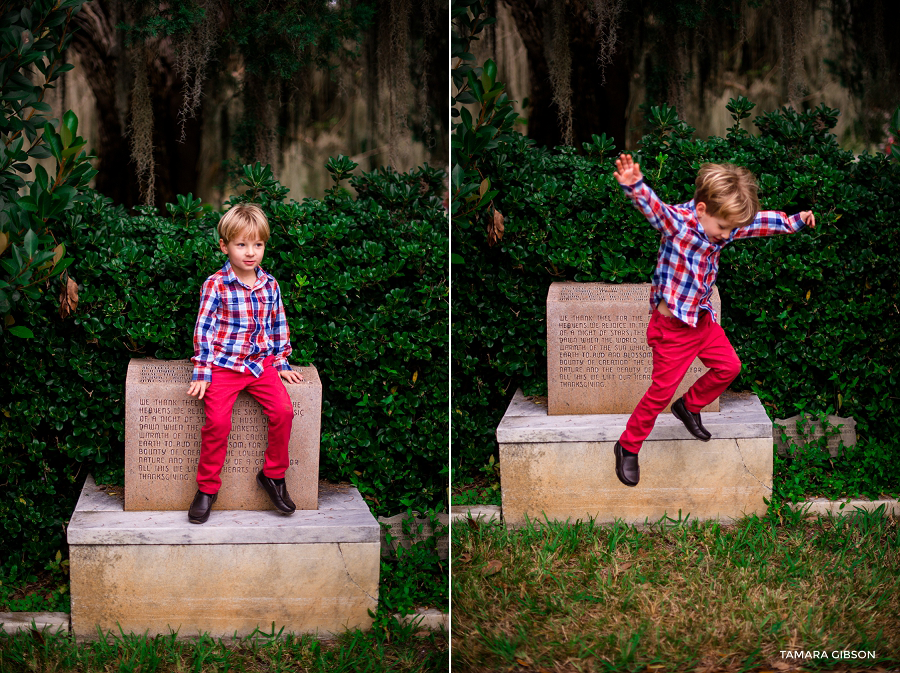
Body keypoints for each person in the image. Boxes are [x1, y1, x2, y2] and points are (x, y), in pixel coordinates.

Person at [611, 154, 816, 487]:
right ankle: (628, 445)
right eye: (723, 228)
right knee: (660, 393)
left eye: (732, 229)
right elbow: (656, 209)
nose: (727, 235)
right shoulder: (678, 222)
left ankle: (689, 406)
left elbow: (758, 223)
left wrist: (794, 221)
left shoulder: (725, 225)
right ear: (703, 210)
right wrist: (635, 185)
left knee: (729, 367)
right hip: (672, 329)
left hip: (702, 322)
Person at [186, 203, 304, 523]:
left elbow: (277, 324)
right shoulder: (216, 284)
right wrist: (202, 370)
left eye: (258, 244)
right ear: (225, 246)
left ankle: (273, 476)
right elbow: (204, 329)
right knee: (218, 424)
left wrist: (281, 362)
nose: (250, 252)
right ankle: (208, 488)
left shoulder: (270, 285)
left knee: (283, 411)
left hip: (260, 365)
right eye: (241, 244)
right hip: (224, 366)